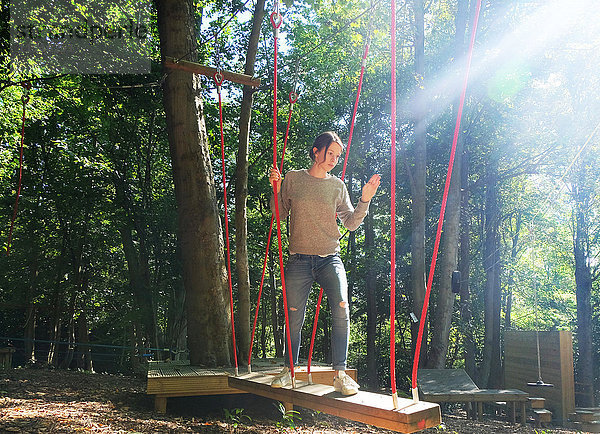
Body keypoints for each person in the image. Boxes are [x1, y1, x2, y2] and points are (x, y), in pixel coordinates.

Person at [268, 131, 381, 395]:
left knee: (342, 307)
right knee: (293, 316)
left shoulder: (337, 186)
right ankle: (289, 371)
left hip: (330, 258)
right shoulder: (294, 179)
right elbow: (279, 214)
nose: (333, 160)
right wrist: (275, 188)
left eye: (337, 156)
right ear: (317, 151)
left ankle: (340, 375)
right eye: (330, 154)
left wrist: (365, 198)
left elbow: (351, 223)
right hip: (298, 259)